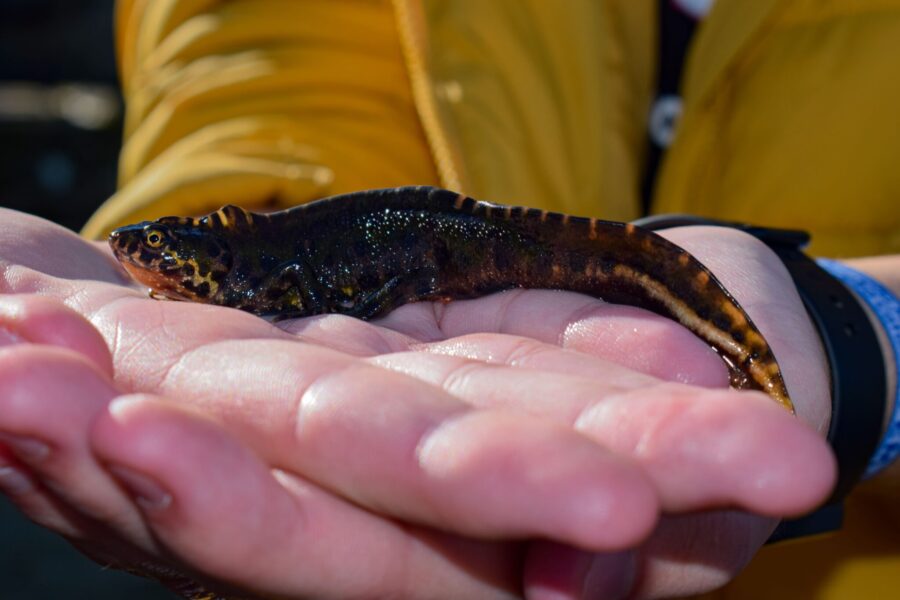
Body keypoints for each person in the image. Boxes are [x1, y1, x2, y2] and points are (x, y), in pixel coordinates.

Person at [1, 0, 898, 597]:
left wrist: (867, 325)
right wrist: (262, 180)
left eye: (157, 251)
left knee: (595, 265)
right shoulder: (237, 265)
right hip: (411, 227)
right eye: (148, 251)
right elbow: (268, 57)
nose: (140, 257)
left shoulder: (253, 276)